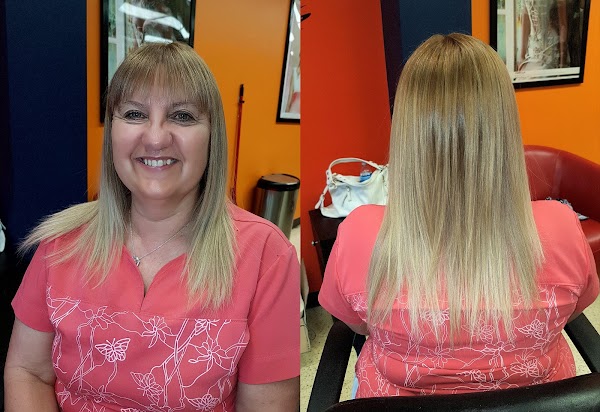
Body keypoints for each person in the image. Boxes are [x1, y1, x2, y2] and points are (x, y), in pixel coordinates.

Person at [4, 42, 300, 411]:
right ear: (112, 133)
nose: (156, 138)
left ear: (212, 136)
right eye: (134, 114)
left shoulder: (266, 257)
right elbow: (28, 372)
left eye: (182, 116)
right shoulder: (61, 243)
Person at [319, 33, 598, 398]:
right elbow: (573, 311)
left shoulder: (359, 233)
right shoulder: (561, 227)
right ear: (504, 129)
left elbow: (355, 325)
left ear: (406, 133)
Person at [518, 0, 569, 70]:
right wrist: (522, 56)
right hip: (532, 50)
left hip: (550, 48)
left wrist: (562, 61)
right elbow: (525, 23)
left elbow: (562, 25)